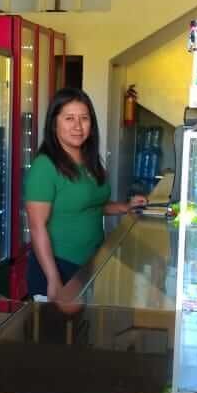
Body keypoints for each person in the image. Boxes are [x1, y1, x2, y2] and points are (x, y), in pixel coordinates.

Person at [24, 87, 147, 299]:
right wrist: (53, 280)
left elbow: (93, 204)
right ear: (54, 124)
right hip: (58, 267)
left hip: (90, 264)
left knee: (83, 330)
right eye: (69, 118)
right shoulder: (45, 166)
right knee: (56, 332)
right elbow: (37, 227)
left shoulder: (88, 160)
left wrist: (126, 206)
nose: (78, 126)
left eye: (84, 118)